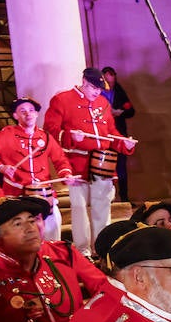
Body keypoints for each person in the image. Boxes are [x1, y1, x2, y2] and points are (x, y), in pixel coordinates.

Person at [44, 67, 137, 255]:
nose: (98, 92)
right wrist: (70, 137)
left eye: (100, 89)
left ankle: (101, 248)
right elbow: (50, 131)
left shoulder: (102, 103)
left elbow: (110, 133)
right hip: (76, 163)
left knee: (102, 208)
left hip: (103, 164)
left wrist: (124, 143)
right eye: (94, 88)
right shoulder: (62, 100)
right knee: (79, 208)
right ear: (84, 82)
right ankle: (83, 250)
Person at [0, 97, 67, 240]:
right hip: (17, 194)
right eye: (22, 111)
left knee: (53, 231)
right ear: (15, 116)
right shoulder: (7, 134)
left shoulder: (45, 137)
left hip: (44, 194)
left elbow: (60, 159)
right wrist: (1, 166)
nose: (28, 114)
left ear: (36, 114)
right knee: (22, 237)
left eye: (31, 110)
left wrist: (66, 173)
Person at [100, 67, 135, 202]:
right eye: (106, 80)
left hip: (118, 133)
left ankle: (124, 199)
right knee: (105, 169)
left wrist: (120, 112)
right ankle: (109, 200)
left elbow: (131, 110)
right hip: (104, 136)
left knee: (121, 168)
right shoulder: (98, 94)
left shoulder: (119, 91)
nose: (110, 83)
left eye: (111, 79)